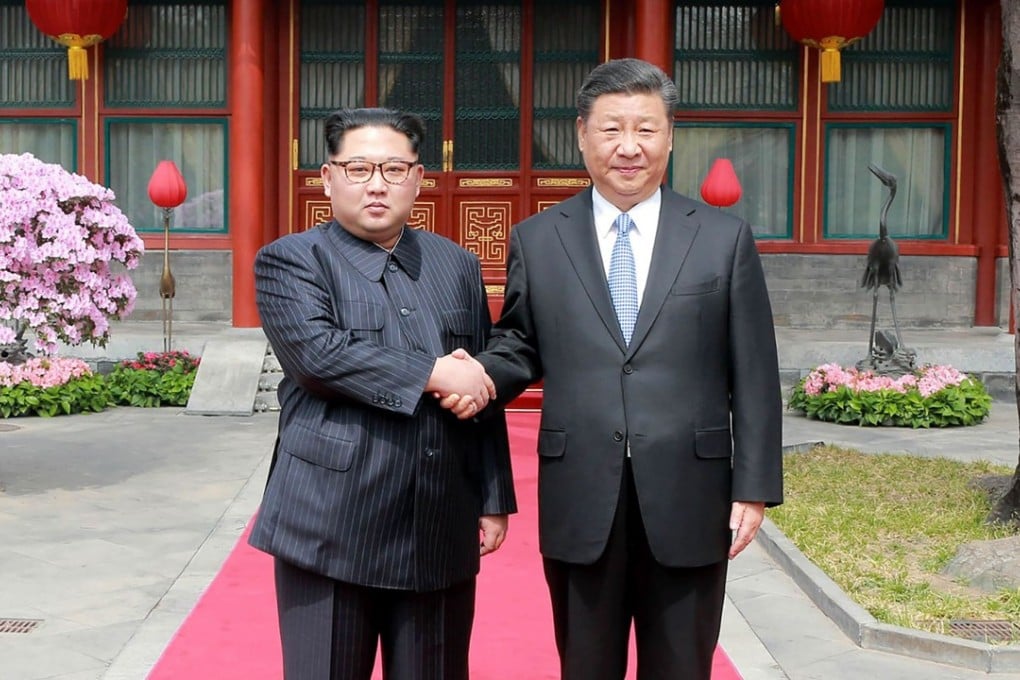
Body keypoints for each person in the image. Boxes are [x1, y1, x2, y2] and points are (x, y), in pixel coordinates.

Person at [445, 58, 783, 679]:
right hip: (581, 491)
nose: (629, 147)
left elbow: (755, 371)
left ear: (670, 136)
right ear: (582, 135)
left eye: (646, 129)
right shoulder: (538, 239)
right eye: (611, 129)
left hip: (691, 492)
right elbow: (520, 342)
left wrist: (754, 486)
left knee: (682, 666)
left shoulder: (722, 238)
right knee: (586, 665)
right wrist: (480, 376)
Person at [249, 107, 517, 680]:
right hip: (328, 523)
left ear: (419, 179)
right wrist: (433, 373)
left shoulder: (456, 264)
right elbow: (318, 356)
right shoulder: (291, 260)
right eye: (359, 168)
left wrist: (493, 494)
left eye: (394, 169)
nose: (377, 184)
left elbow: (478, 384)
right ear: (327, 178)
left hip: (437, 522)